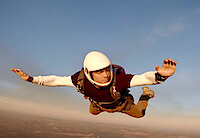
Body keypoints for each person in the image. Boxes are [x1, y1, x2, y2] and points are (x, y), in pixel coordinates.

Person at [11, 51, 177, 118]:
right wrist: (31, 79)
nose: (105, 74)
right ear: (89, 72)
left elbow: (142, 78)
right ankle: (98, 105)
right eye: (99, 71)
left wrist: (160, 75)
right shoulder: (80, 79)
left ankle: (146, 95)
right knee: (93, 112)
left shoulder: (118, 80)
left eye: (107, 69)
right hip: (98, 105)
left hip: (121, 105)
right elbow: (56, 80)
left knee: (140, 114)